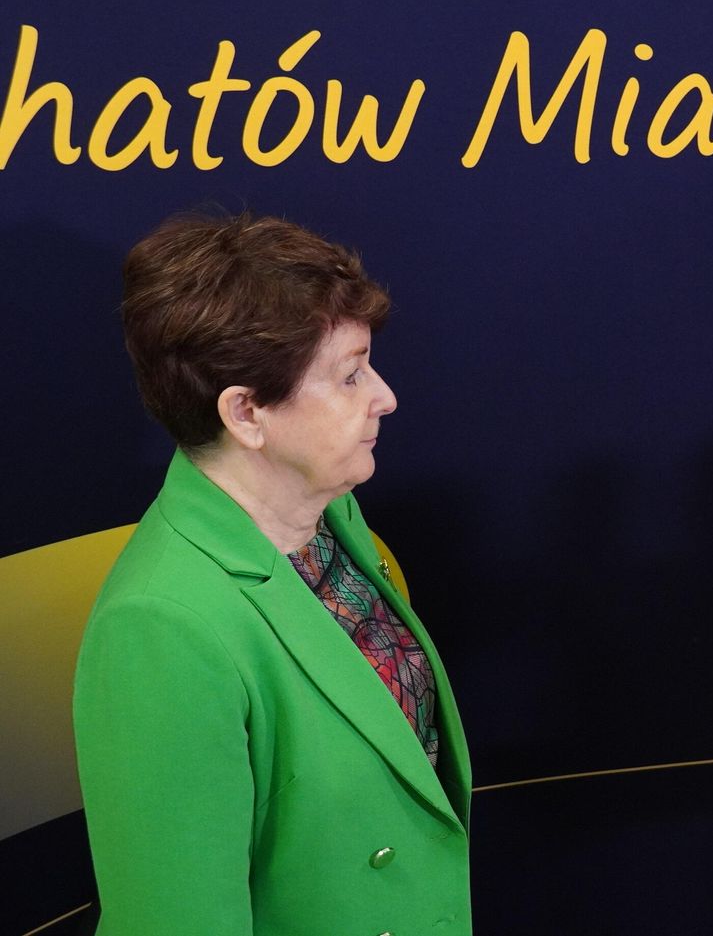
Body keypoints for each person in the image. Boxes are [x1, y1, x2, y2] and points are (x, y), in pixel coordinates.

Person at [73, 213, 472, 935]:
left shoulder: (329, 509)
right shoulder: (160, 629)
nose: (384, 395)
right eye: (350, 375)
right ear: (247, 412)